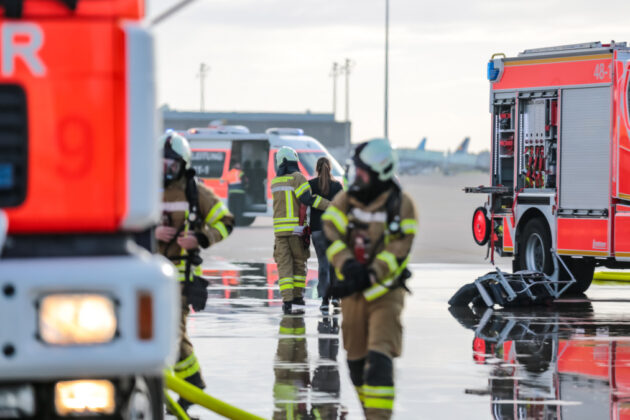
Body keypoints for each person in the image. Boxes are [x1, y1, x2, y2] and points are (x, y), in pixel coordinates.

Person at [322, 139, 418, 420]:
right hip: (352, 295)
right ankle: (370, 412)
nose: (357, 177)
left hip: (386, 295)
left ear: (380, 172)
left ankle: (379, 417)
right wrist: (347, 265)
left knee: (379, 361)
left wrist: (372, 273)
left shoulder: (401, 205)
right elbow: (331, 231)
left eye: (362, 172)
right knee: (355, 363)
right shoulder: (348, 199)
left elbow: (399, 249)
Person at [155, 131, 234, 415]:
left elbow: (225, 222)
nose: (165, 170)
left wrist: (200, 239)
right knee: (170, 334)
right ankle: (193, 385)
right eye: (161, 164)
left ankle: (188, 388)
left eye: (171, 165)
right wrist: (151, 233)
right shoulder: (145, 189)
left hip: (180, 276)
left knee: (172, 334)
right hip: (150, 276)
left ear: (183, 164)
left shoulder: (194, 192)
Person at [272, 146, 330, 315]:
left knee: (284, 266)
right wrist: (329, 205)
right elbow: (308, 199)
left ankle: (287, 301)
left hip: (280, 233)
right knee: (299, 264)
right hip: (297, 231)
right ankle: (298, 297)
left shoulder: (275, 182)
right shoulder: (297, 178)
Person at [308, 157, 343, 313]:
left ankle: (324, 300)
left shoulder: (311, 185)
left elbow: (305, 203)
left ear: (317, 168)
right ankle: (335, 297)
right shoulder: (337, 186)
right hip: (333, 230)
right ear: (330, 168)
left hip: (316, 230)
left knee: (323, 264)